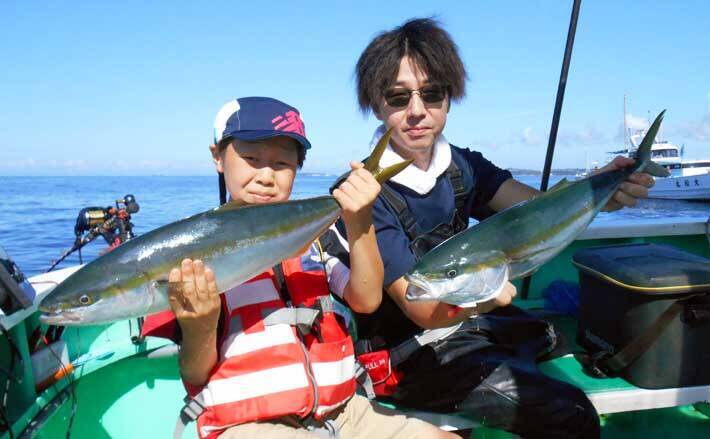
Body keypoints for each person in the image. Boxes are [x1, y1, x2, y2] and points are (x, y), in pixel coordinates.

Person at [324, 18, 656, 439]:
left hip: (472, 328)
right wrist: (482, 300)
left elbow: (539, 210)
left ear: (449, 97)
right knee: (571, 414)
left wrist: (603, 187)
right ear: (376, 104)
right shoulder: (362, 195)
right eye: (397, 97)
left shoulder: (463, 166)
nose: (417, 111)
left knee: (574, 341)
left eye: (432, 94)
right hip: (412, 354)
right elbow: (419, 308)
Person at [158, 97, 456, 439]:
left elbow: (366, 299)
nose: (266, 176)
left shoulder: (317, 235)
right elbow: (195, 374)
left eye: (282, 163)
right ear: (218, 158)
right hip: (246, 426)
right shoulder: (190, 251)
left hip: (343, 413)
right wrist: (200, 325)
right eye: (251, 159)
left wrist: (359, 220)